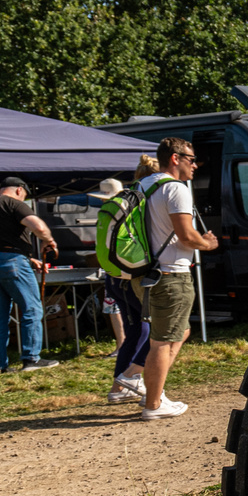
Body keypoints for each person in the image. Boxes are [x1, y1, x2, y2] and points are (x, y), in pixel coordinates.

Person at [135, 139, 218, 420]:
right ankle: (153, 404)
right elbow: (186, 236)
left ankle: (151, 390)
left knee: (178, 333)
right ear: (175, 158)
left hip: (145, 272)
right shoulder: (176, 189)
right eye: (191, 159)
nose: (195, 165)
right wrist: (207, 243)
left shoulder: (144, 185)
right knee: (162, 342)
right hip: (171, 274)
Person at [0, 176, 60, 372]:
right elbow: (38, 227)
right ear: (18, 190)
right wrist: (48, 240)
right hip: (11, 263)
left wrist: (29, 259)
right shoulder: (13, 204)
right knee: (31, 309)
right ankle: (31, 359)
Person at [104, 161, 155, 404]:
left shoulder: (118, 204)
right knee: (159, 331)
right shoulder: (145, 202)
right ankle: (131, 376)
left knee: (136, 330)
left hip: (115, 276)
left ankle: (118, 388)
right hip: (134, 276)